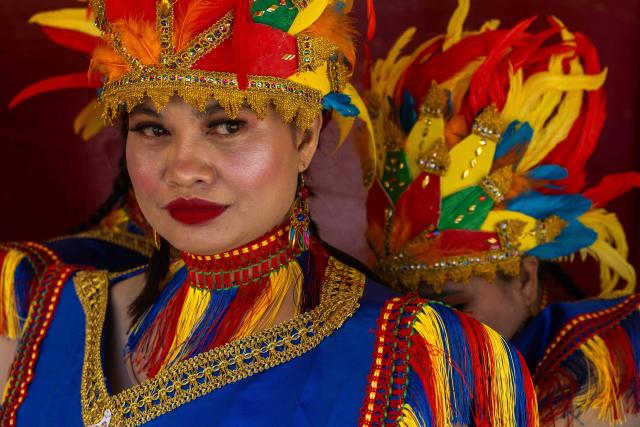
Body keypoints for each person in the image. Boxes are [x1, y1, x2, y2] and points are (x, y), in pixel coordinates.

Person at [0, 1, 538, 426]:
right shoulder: (44, 314)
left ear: (304, 137)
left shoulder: (415, 360)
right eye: (152, 129)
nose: (183, 168)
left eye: (229, 125)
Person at [361, 1, 640, 425]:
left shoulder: (610, 369)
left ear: (527, 281)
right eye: (408, 312)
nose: (428, 332)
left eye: (454, 305)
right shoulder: (389, 383)